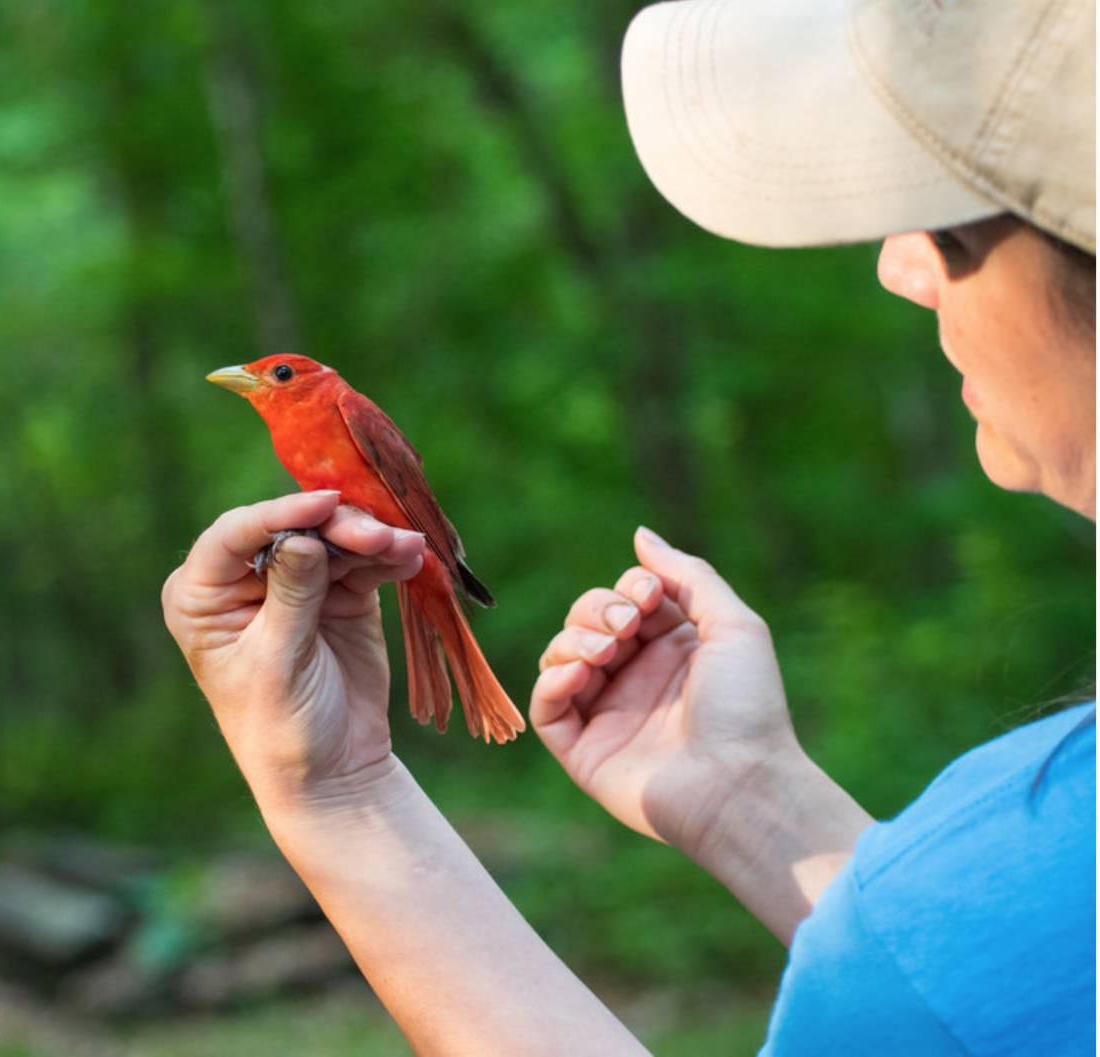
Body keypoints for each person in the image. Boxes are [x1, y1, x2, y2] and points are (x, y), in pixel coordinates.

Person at [161, 0, 1096, 1051]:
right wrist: (751, 800)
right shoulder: (1047, 847)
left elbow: (942, 981)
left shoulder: (1023, 876)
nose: (895, 266)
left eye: (958, 227)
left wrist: (331, 797)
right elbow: (967, 978)